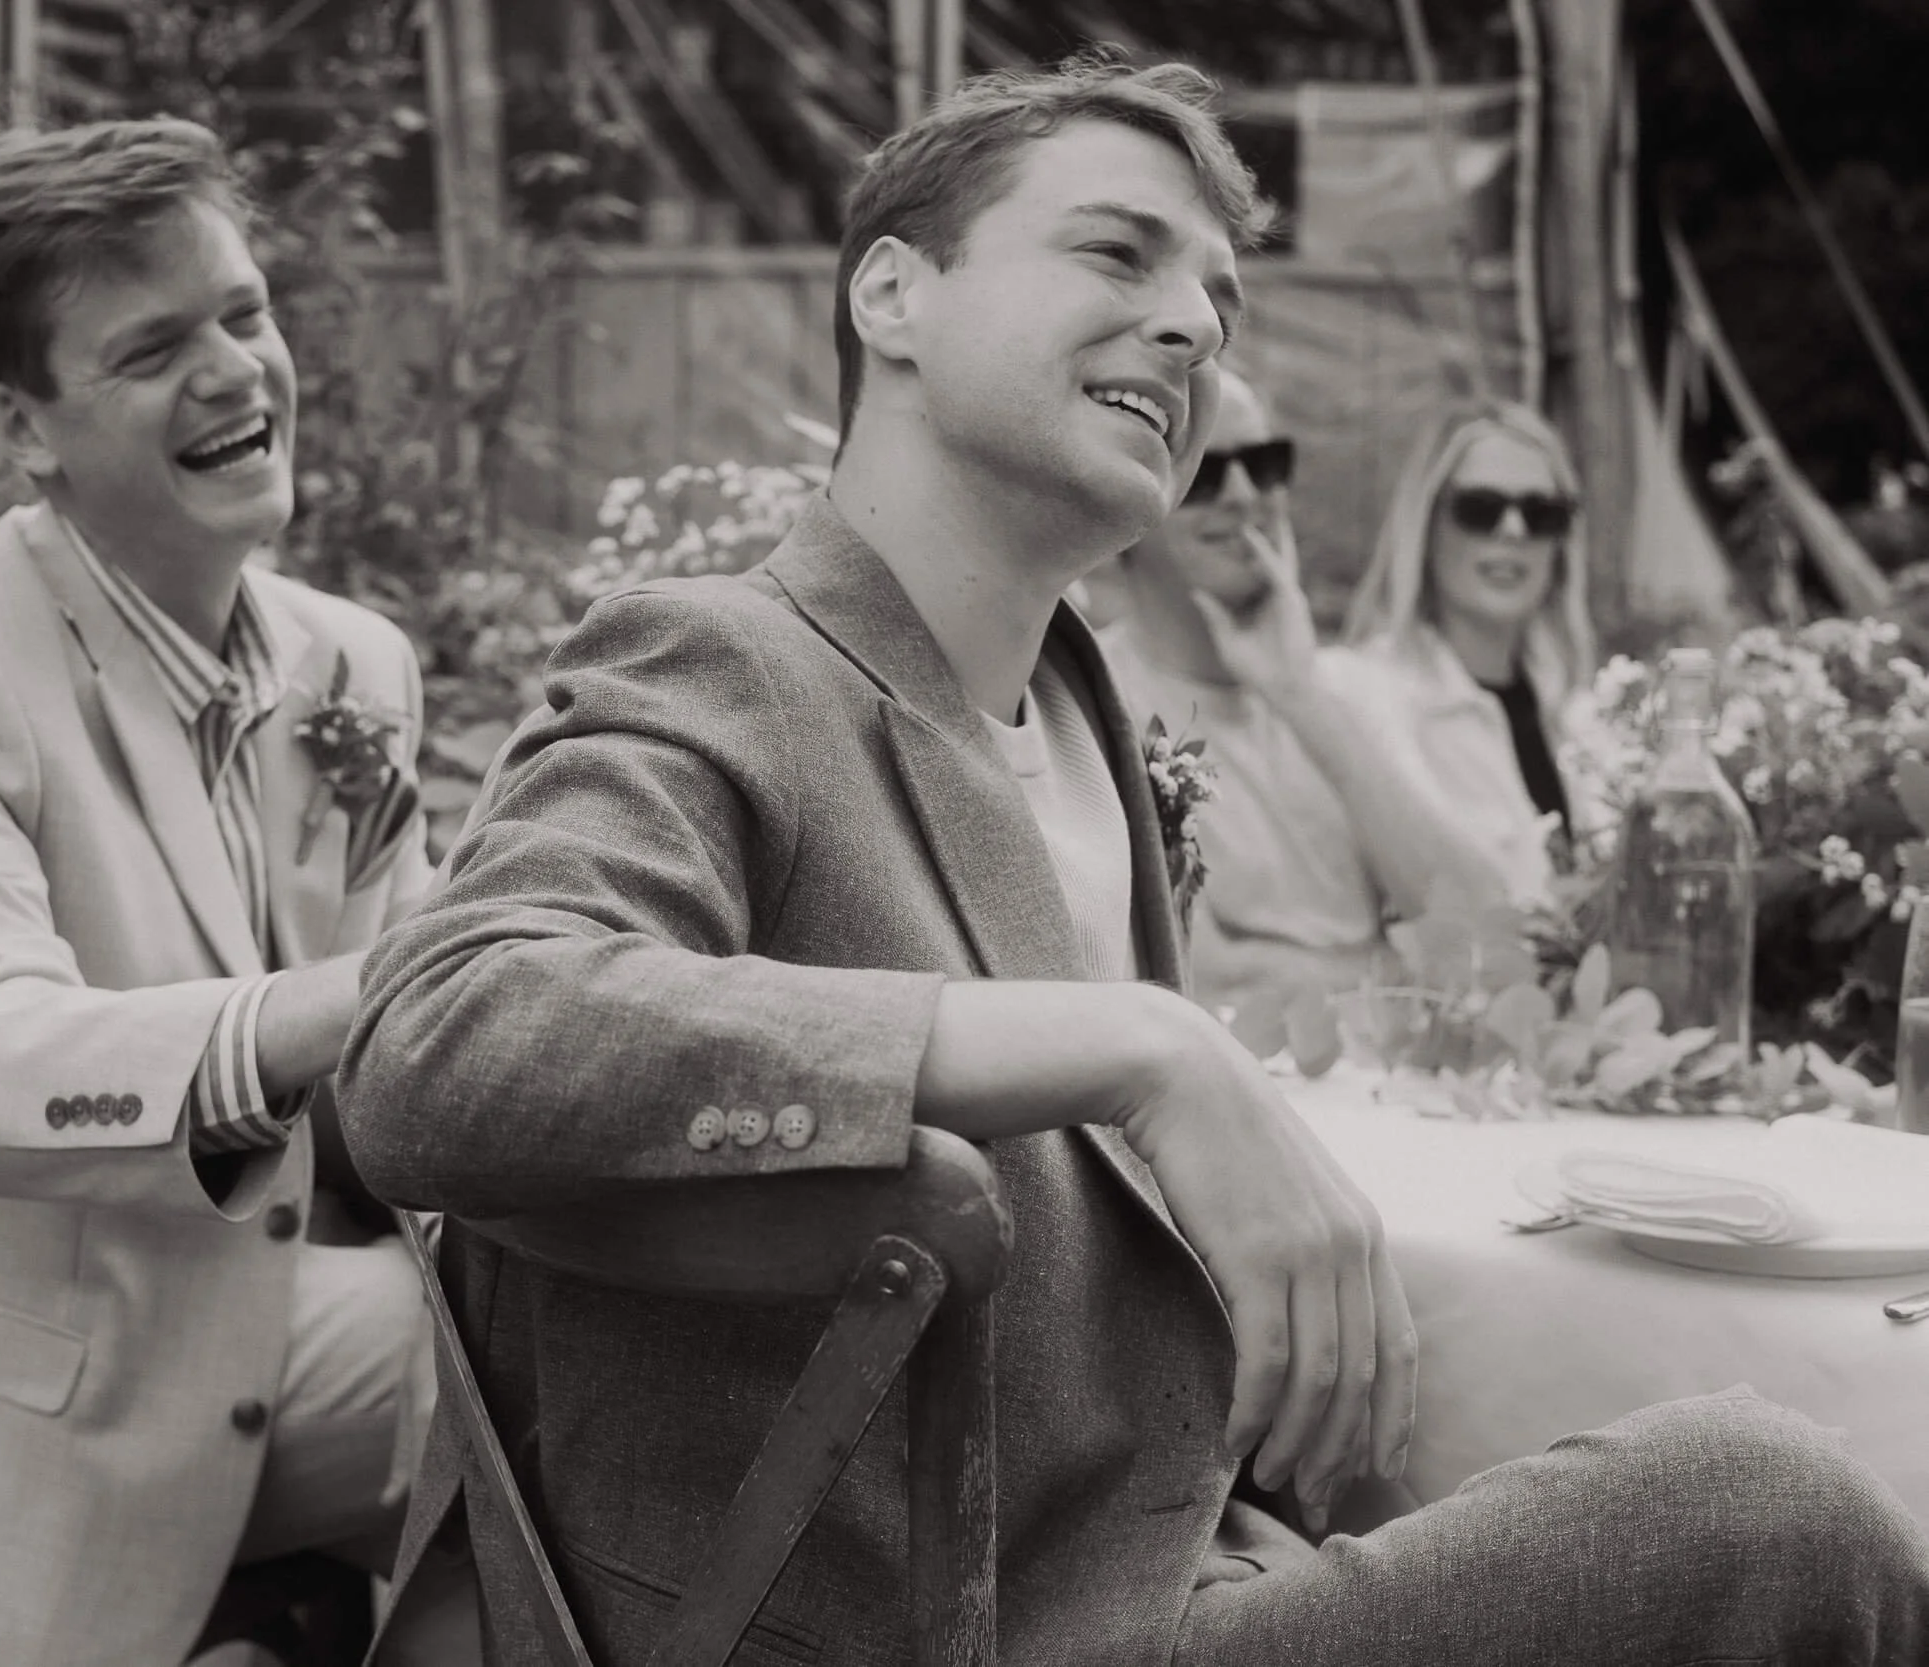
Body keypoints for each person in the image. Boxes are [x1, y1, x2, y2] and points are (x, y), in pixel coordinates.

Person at [339, 52, 1929, 1667]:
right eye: (1117, 253)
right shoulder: (729, 660)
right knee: (1765, 1506)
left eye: (1217, 298)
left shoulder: (1087, 722)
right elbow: (437, 1039)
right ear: (892, 292)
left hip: (1183, 1542)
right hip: (951, 1622)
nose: (1194, 326)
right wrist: (1149, 1044)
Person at [0, 120, 471, 1667]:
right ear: (22, 424)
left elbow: (428, 1036)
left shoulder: (359, 661)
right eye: (153, 348)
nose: (233, 372)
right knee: (566, 1378)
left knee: (634, 1330)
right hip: (39, 1408)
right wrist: (350, 1003)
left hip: (307, 1317)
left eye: (245, 312)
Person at [1101, 368, 1507, 1007]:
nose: (1241, 494)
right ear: (1130, 503)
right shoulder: (1094, 701)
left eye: (1263, 464)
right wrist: (1406, 975)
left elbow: (1487, 936)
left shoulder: (1350, 690)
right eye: (1203, 470)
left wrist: (1299, 696)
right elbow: (1193, 976)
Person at [1333, 400, 1596, 897]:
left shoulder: (1581, 716)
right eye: (1481, 508)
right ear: (1426, 526)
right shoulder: (1368, 697)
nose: (1513, 531)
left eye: (1541, 514)